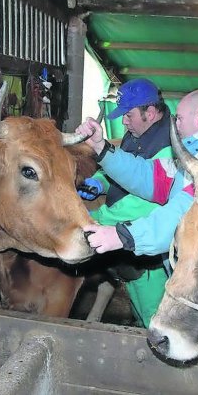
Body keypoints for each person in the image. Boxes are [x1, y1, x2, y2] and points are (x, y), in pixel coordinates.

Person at [76, 88, 198, 271]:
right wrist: (102, 148)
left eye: (179, 118)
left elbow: (187, 214)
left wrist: (123, 235)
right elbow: (148, 176)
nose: (175, 124)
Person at [77, 78, 173, 328]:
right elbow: (124, 170)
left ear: (150, 113)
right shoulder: (136, 135)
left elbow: (146, 203)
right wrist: (99, 182)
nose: (124, 121)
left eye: (128, 115)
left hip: (152, 255)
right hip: (132, 250)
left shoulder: (168, 149)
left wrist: (97, 219)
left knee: (157, 321)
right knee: (140, 313)